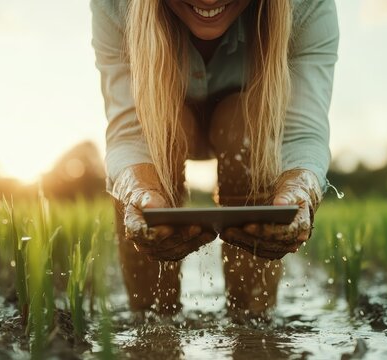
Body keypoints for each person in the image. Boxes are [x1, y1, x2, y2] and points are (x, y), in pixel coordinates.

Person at [91, 0, 339, 317]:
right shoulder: (116, 5)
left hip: (250, 122)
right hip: (158, 126)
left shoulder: (305, 5)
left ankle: (251, 323)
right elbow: (129, 133)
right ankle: (153, 325)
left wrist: (300, 191)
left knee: (241, 123)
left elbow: (302, 132)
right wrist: (139, 193)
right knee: (143, 198)